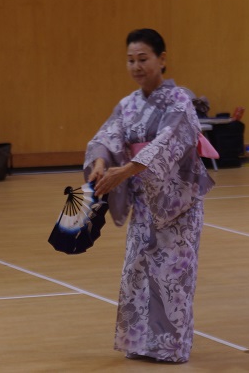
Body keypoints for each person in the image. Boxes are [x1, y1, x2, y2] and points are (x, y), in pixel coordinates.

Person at [83, 28, 215, 363]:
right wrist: (101, 163)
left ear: (162, 60)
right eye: (131, 60)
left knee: (172, 276)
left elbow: (168, 144)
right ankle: (140, 343)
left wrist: (124, 171)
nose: (136, 66)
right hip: (144, 203)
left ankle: (170, 348)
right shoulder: (128, 104)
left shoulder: (179, 101)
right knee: (137, 272)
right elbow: (108, 135)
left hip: (178, 203)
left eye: (143, 59)